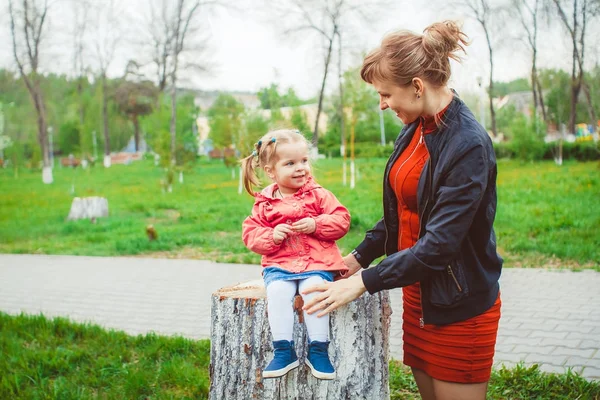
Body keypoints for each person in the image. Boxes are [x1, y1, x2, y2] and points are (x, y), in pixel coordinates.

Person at [302, 21, 503, 400]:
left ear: (416, 86)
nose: (382, 105)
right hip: (418, 293)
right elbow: (401, 209)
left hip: (458, 305)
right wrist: (355, 260)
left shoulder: (468, 145)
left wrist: (362, 283)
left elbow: (440, 245)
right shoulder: (415, 128)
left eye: (385, 94)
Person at [241, 129, 351, 380]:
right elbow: (251, 233)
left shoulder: (319, 195)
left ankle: (319, 350)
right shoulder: (265, 203)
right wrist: (271, 235)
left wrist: (317, 224)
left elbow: (342, 220)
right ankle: (283, 350)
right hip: (280, 264)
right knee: (278, 292)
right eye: (290, 163)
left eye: (304, 160)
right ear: (271, 171)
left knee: (314, 289)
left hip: (316, 262)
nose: (301, 168)